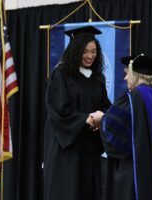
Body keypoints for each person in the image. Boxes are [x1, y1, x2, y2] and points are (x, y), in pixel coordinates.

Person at [43, 25, 111, 200]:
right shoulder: (61, 74)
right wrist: (86, 119)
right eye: (85, 51)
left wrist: (101, 119)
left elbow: (105, 106)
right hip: (66, 148)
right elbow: (58, 110)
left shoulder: (98, 78)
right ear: (75, 51)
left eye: (94, 51)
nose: (90, 56)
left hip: (89, 145)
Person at [97, 55, 152, 200]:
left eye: (127, 74)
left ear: (135, 76)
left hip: (131, 169)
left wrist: (102, 118)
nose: (125, 78)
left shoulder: (134, 97)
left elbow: (112, 128)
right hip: (149, 168)